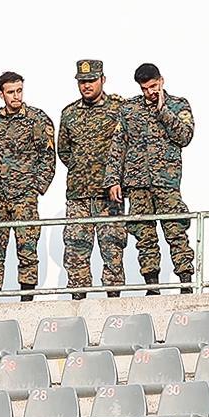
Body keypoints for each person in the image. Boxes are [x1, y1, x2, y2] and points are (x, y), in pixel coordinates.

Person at [117, 63, 195, 293]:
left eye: (153, 86)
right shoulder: (129, 109)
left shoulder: (178, 105)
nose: (150, 92)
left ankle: (186, 282)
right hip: (138, 183)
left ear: (162, 80)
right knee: (144, 236)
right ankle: (152, 285)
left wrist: (163, 110)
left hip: (166, 182)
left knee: (176, 231)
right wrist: (113, 179)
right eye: (145, 88)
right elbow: (118, 144)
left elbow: (185, 135)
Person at [0, 72, 57, 297]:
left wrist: (36, 188)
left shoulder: (37, 118)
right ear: (1, 94)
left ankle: (27, 297)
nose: (16, 96)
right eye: (10, 92)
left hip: (24, 195)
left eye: (19, 91)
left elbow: (48, 156)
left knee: (27, 248)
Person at [59, 59, 125, 297]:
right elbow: (64, 150)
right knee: (76, 251)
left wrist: (112, 176)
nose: (86, 86)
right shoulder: (69, 113)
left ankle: (114, 301)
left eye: (91, 81)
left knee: (113, 249)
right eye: (82, 81)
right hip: (78, 195)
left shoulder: (119, 109)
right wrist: (81, 169)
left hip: (109, 194)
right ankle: (78, 301)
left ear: (103, 80)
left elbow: (126, 145)